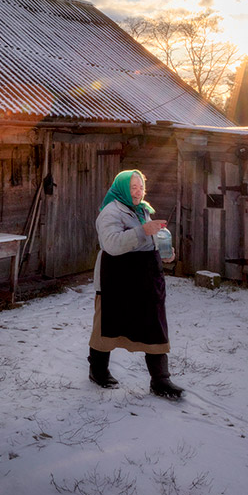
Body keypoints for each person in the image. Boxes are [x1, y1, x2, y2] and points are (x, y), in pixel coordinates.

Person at [87, 169, 184, 399]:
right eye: (133, 187)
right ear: (121, 188)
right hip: (116, 280)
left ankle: (161, 380)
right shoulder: (110, 213)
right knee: (107, 325)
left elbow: (148, 239)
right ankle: (98, 370)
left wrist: (163, 252)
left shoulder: (142, 210)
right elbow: (111, 244)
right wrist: (143, 231)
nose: (138, 191)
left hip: (145, 279)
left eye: (141, 186)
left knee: (155, 325)